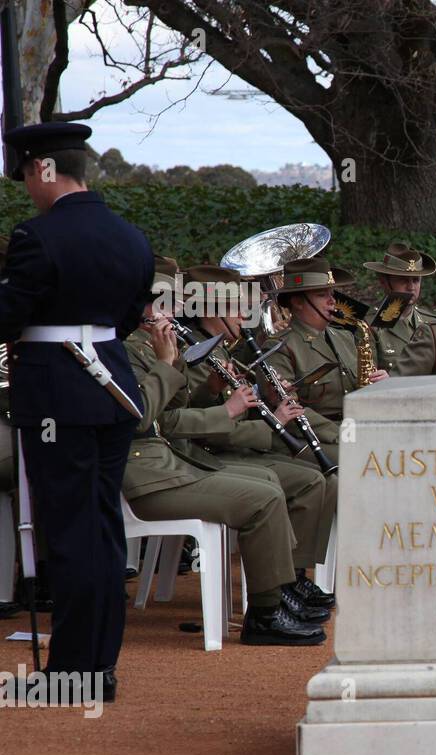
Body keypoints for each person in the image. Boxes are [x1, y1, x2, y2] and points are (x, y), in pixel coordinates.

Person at [0, 122, 152, 701]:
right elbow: (131, 314)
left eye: (28, 177)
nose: (28, 191)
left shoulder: (37, 235)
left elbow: (11, 312)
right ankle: (98, 668)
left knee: (68, 533)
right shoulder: (131, 237)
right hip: (112, 387)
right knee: (103, 531)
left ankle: (70, 675)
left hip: (57, 395)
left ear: (44, 169)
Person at [123, 310, 326, 645]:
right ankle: (266, 613)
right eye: (155, 305)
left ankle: (278, 592)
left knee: (267, 485)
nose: (166, 314)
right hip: (144, 474)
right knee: (264, 498)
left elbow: (172, 406)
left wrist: (177, 366)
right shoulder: (121, 349)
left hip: (165, 464)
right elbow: (145, 417)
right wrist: (169, 366)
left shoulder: (148, 347)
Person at [166, 262, 337, 609]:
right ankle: (282, 586)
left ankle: (293, 577)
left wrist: (267, 397)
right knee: (304, 481)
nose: (247, 313)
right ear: (216, 307)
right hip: (207, 454)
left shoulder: (223, 349)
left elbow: (221, 406)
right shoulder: (195, 351)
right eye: (237, 306)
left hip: (234, 446)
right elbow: (199, 423)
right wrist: (269, 418)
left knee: (313, 479)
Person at [261, 257, 389, 469]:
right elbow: (290, 409)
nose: (332, 301)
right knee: (370, 462)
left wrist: (379, 385)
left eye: (331, 293)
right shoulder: (279, 347)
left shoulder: (345, 337)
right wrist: (342, 433)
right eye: (322, 295)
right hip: (313, 436)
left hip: (354, 426)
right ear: (297, 301)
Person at [360, 242, 436, 373]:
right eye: (403, 280)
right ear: (384, 282)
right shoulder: (368, 325)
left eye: (416, 280)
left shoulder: (432, 323)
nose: (411, 287)